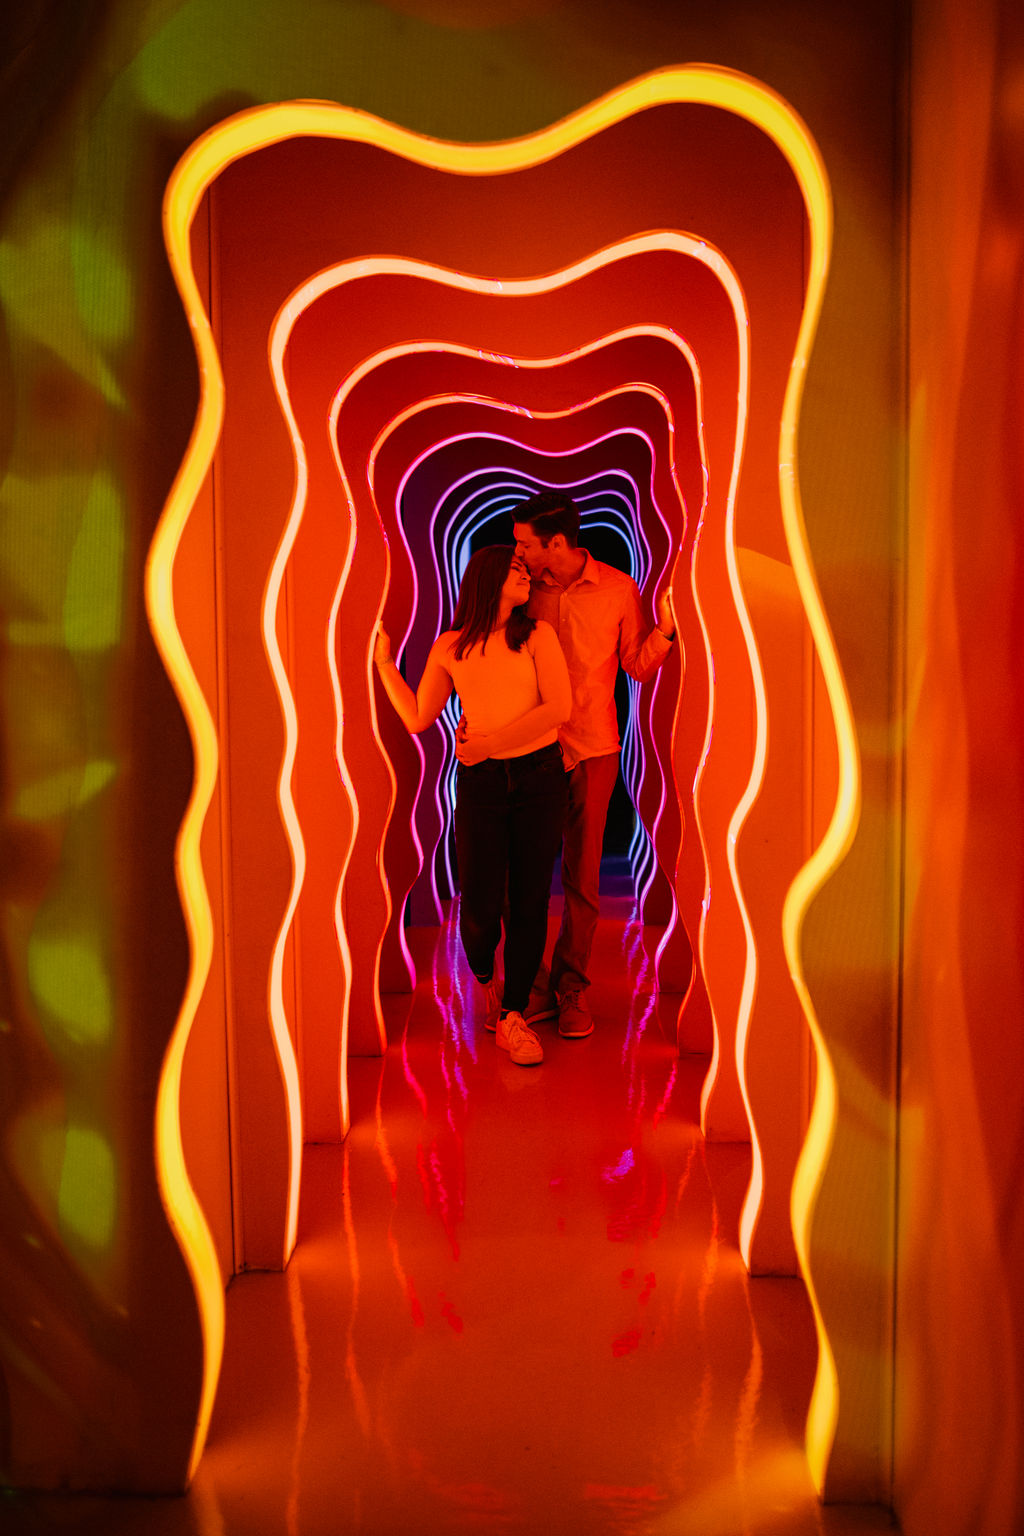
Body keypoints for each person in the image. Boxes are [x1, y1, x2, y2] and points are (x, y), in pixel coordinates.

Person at [374, 546, 571, 1066]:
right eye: (515, 570)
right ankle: (486, 977)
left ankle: (513, 1015)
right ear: (486, 579)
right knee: (480, 903)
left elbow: (559, 707)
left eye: (526, 570)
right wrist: (384, 664)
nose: (525, 577)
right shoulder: (451, 645)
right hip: (481, 781)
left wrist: (491, 741)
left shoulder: (536, 636)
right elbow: (418, 716)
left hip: (539, 775)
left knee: (530, 900)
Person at [510, 490, 675, 1039]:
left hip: (594, 747)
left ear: (555, 544)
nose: (520, 552)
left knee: (582, 876)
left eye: (526, 543)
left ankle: (571, 987)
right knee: (524, 875)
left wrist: (667, 630)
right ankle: (529, 991)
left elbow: (636, 666)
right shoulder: (521, 590)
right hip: (529, 749)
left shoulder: (617, 589)